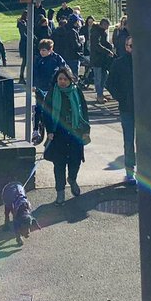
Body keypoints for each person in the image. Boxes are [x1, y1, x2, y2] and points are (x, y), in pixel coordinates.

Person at [42, 67, 91, 204]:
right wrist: (49, 131)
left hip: (76, 132)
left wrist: (86, 129)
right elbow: (46, 113)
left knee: (75, 161)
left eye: (65, 79)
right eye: (60, 79)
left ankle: (72, 179)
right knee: (59, 164)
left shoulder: (77, 91)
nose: (62, 82)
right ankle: (60, 192)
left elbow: (84, 110)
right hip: (58, 133)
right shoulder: (52, 93)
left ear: (70, 80)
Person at [106, 35, 136, 186]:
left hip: (145, 109)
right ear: (126, 47)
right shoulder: (118, 63)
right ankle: (130, 172)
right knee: (129, 141)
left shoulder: (146, 62)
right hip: (127, 109)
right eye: (131, 46)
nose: (133, 49)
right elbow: (110, 84)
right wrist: (121, 98)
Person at [32, 38, 66, 137]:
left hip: (52, 88)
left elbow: (64, 69)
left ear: (50, 50)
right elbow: (34, 72)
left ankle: (53, 128)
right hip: (40, 87)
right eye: (41, 50)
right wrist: (33, 85)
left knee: (52, 108)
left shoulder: (57, 58)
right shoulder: (38, 59)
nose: (42, 52)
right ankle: (35, 129)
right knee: (38, 108)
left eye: (44, 50)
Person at [89, 17, 115, 104]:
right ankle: (99, 95)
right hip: (97, 59)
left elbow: (102, 43)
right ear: (103, 24)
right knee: (98, 78)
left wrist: (109, 46)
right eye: (107, 25)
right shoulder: (96, 32)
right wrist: (107, 51)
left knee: (104, 76)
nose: (108, 27)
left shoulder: (101, 32)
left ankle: (100, 93)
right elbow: (97, 45)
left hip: (102, 58)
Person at [17, 13, 28, 84]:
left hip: (24, 42)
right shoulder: (22, 23)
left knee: (24, 62)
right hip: (24, 43)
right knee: (24, 61)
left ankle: (22, 77)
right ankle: (21, 77)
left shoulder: (23, 22)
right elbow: (23, 34)